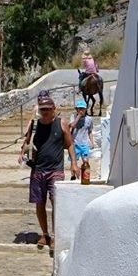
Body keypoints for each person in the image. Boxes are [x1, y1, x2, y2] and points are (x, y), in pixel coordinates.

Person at [17, 93, 79, 251]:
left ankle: (55, 235)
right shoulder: (35, 125)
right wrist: (22, 153)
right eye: (42, 109)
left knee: (56, 201)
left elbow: (70, 144)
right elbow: (27, 141)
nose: (45, 112)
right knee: (40, 203)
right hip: (37, 170)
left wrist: (74, 163)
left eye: (48, 109)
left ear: (54, 109)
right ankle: (45, 234)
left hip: (55, 170)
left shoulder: (61, 123)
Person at [68, 98, 94, 174]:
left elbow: (90, 131)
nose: (81, 110)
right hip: (74, 144)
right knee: (74, 163)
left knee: (86, 162)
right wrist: (78, 116)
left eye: (83, 108)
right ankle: (73, 176)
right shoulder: (73, 116)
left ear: (86, 109)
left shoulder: (89, 119)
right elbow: (72, 125)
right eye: (79, 108)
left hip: (85, 144)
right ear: (76, 109)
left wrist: (92, 142)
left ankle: (85, 177)